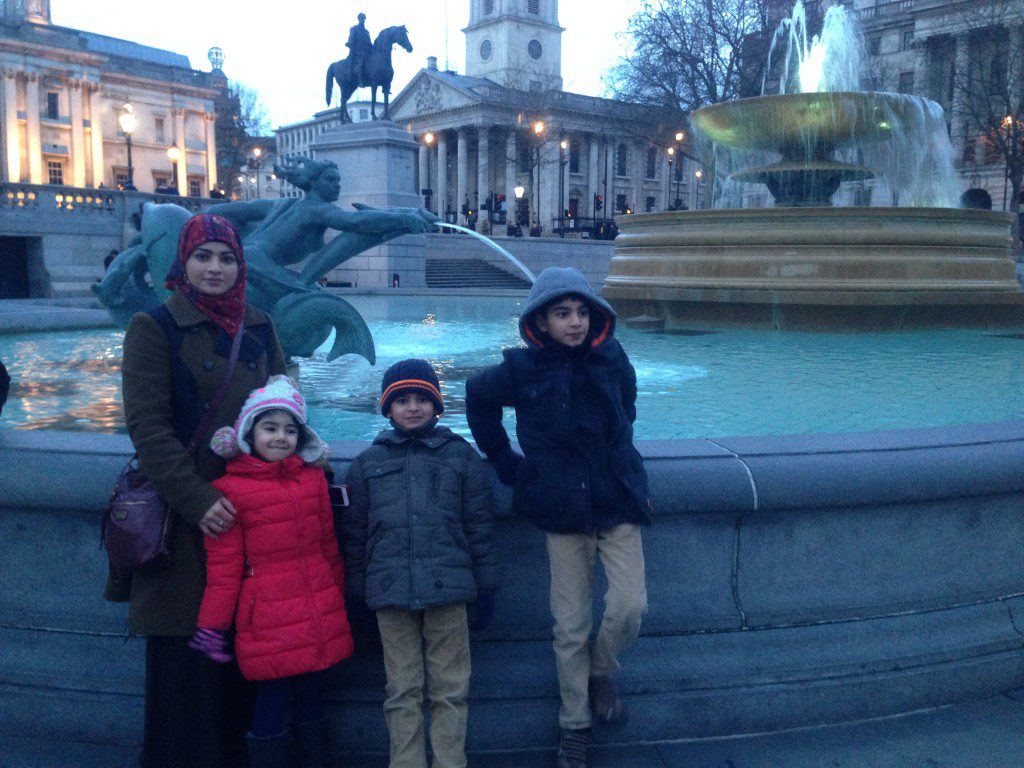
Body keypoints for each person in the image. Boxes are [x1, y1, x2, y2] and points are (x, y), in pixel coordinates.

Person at [108, 212, 287, 768]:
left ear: (241, 266)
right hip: (187, 523)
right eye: (203, 256)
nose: (215, 268)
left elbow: (284, 406)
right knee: (185, 678)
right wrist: (197, 499)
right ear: (182, 263)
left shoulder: (258, 328)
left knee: (240, 671)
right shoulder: (154, 327)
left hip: (250, 514)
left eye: (226, 257)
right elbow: (148, 425)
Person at [464, 267, 652, 768]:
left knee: (629, 605)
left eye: (582, 312)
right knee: (569, 626)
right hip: (560, 507)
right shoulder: (521, 370)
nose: (574, 322)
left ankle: (601, 671)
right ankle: (574, 728)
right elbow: (478, 400)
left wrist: (614, 458)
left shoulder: (612, 357)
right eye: (562, 313)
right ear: (540, 321)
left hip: (615, 498)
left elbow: (627, 409)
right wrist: (507, 463)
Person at [341, 359, 500, 768]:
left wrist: (486, 585)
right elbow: (356, 534)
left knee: (450, 690)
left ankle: (450, 762)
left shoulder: (460, 457)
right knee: (402, 691)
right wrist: (357, 587)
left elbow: (479, 526)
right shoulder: (366, 464)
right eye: (402, 400)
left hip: (449, 591)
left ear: (436, 405)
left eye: (422, 399)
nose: (413, 408)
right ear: (387, 408)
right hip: (390, 593)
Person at [190, 375, 353, 768]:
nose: (281, 437)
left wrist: (340, 598)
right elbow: (224, 570)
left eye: (290, 429)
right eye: (270, 427)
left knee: (313, 697)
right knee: (273, 698)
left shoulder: (314, 480)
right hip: (268, 620)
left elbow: (328, 546)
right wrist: (211, 627)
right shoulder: (230, 490)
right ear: (248, 433)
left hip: (316, 611)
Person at [346, 12, 372, 85]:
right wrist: (350, 44)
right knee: (361, 62)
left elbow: (369, 42)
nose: (363, 20)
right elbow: (351, 39)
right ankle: (360, 81)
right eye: (361, 18)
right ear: (358, 19)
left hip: (366, 51)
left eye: (364, 18)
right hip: (357, 51)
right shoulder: (354, 29)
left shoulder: (366, 32)